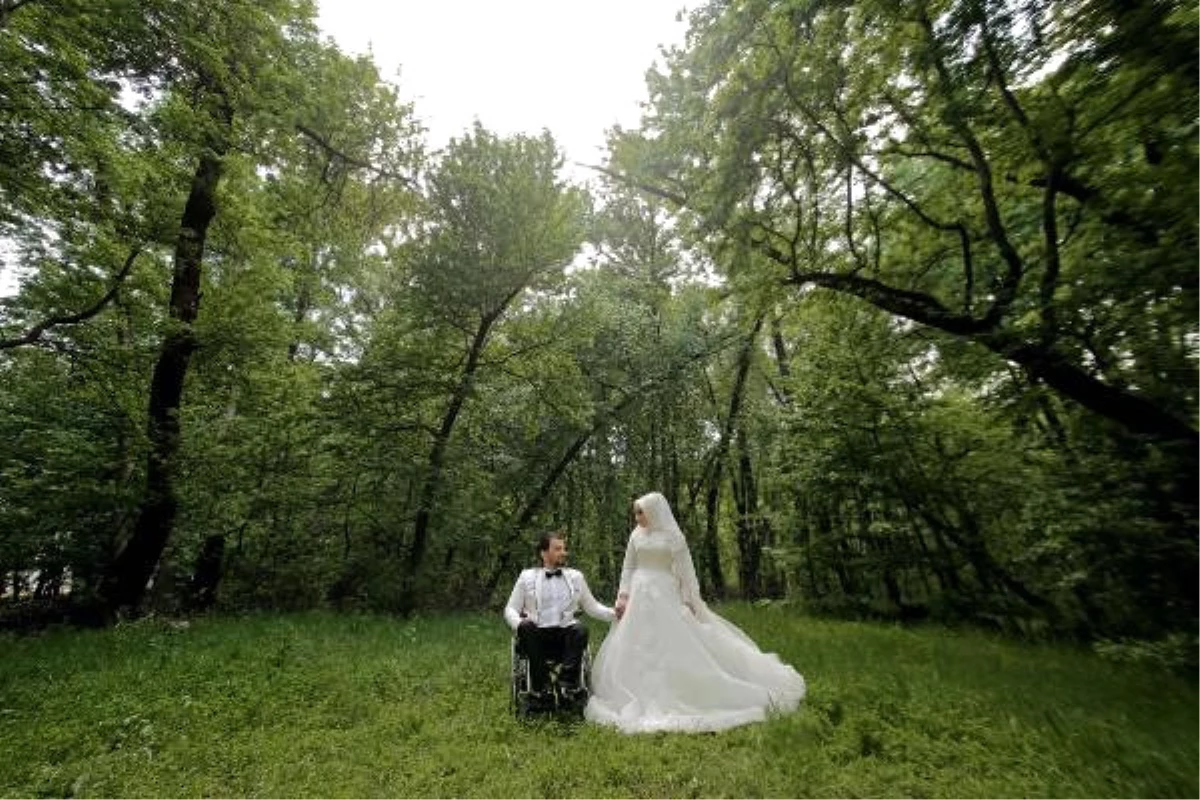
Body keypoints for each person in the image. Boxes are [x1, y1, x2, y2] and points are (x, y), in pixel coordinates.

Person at [585, 491, 806, 733]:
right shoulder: (635, 535)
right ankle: (634, 690)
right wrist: (623, 596)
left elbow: (686, 571)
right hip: (638, 595)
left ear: (654, 511)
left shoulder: (673, 537)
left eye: (641, 512)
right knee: (636, 643)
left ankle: (679, 687)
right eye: (636, 512)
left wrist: (690, 598)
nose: (637, 517)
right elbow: (628, 567)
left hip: (664, 592)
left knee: (670, 642)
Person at [504, 531, 616, 711]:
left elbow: (592, 607)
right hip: (536, 636)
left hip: (565, 637)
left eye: (564, 548)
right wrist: (519, 624)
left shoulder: (576, 577)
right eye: (557, 549)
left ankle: (566, 685)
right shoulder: (526, 577)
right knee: (525, 627)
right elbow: (510, 609)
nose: (563, 552)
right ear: (543, 553)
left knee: (580, 629)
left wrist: (615, 613)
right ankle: (542, 688)